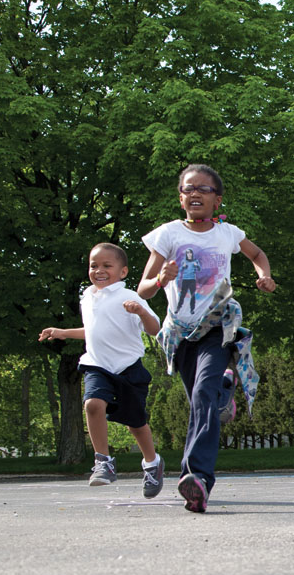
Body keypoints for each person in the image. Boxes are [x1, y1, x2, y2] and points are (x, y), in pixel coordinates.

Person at [138, 164, 276, 513]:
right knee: (202, 405)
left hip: (217, 328)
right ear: (180, 197)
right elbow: (143, 290)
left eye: (203, 188)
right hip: (181, 334)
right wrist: (159, 280)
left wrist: (264, 275)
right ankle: (224, 394)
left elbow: (257, 254)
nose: (195, 193)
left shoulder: (228, 233)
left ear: (217, 199)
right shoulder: (167, 235)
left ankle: (197, 478)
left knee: (202, 394)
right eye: (188, 188)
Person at [39, 243, 164, 498]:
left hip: (128, 369)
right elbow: (95, 330)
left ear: (123, 271)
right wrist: (63, 332)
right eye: (94, 265)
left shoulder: (129, 297)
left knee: (136, 424)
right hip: (97, 364)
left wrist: (140, 310)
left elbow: (154, 328)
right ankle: (103, 461)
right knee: (93, 405)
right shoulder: (87, 296)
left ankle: (152, 463)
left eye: (107, 265)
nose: (99, 270)